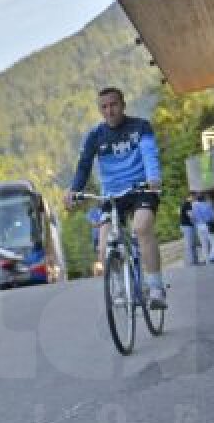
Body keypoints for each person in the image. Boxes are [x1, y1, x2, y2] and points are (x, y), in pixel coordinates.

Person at [66, 87, 166, 307]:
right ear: (99, 109)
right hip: (112, 195)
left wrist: (153, 177)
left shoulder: (140, 127)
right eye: (104, 107)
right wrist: (74, 190)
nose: (109, 111)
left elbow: (150, 153)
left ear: (123, 105)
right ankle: (120, 286)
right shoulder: (95, 136)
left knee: (142, 227)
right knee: (104, 247)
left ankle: (156, 287)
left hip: (142, 188)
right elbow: (83, 166)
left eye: (114, 105)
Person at [190, 195, 214, 263]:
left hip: (199, 226)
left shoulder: (194, 207)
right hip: (207, 225)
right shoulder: (208, 205)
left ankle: (206, 260)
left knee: (204, 244)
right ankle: (211, 256)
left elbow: (192, 218)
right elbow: (213, 216)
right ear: (204, 199)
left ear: (198, 200)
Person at [179, 194, 198, 265]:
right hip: (187, 226)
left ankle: (194, 260)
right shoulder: (187, 204)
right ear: (191, 197)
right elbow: (191, 216)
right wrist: (196, 222)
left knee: (190, 243)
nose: (195, 199)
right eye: (194, 197)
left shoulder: (184, 204)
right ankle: (192, 261)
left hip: (185, 226)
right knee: (190, 244)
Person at [87, 204, 105, 275]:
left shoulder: (106, 207)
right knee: (99, 252)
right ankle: (105, 269)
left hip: (108, 233)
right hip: (97, 236)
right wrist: (101, 223)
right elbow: (93, 223)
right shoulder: (91, 211)